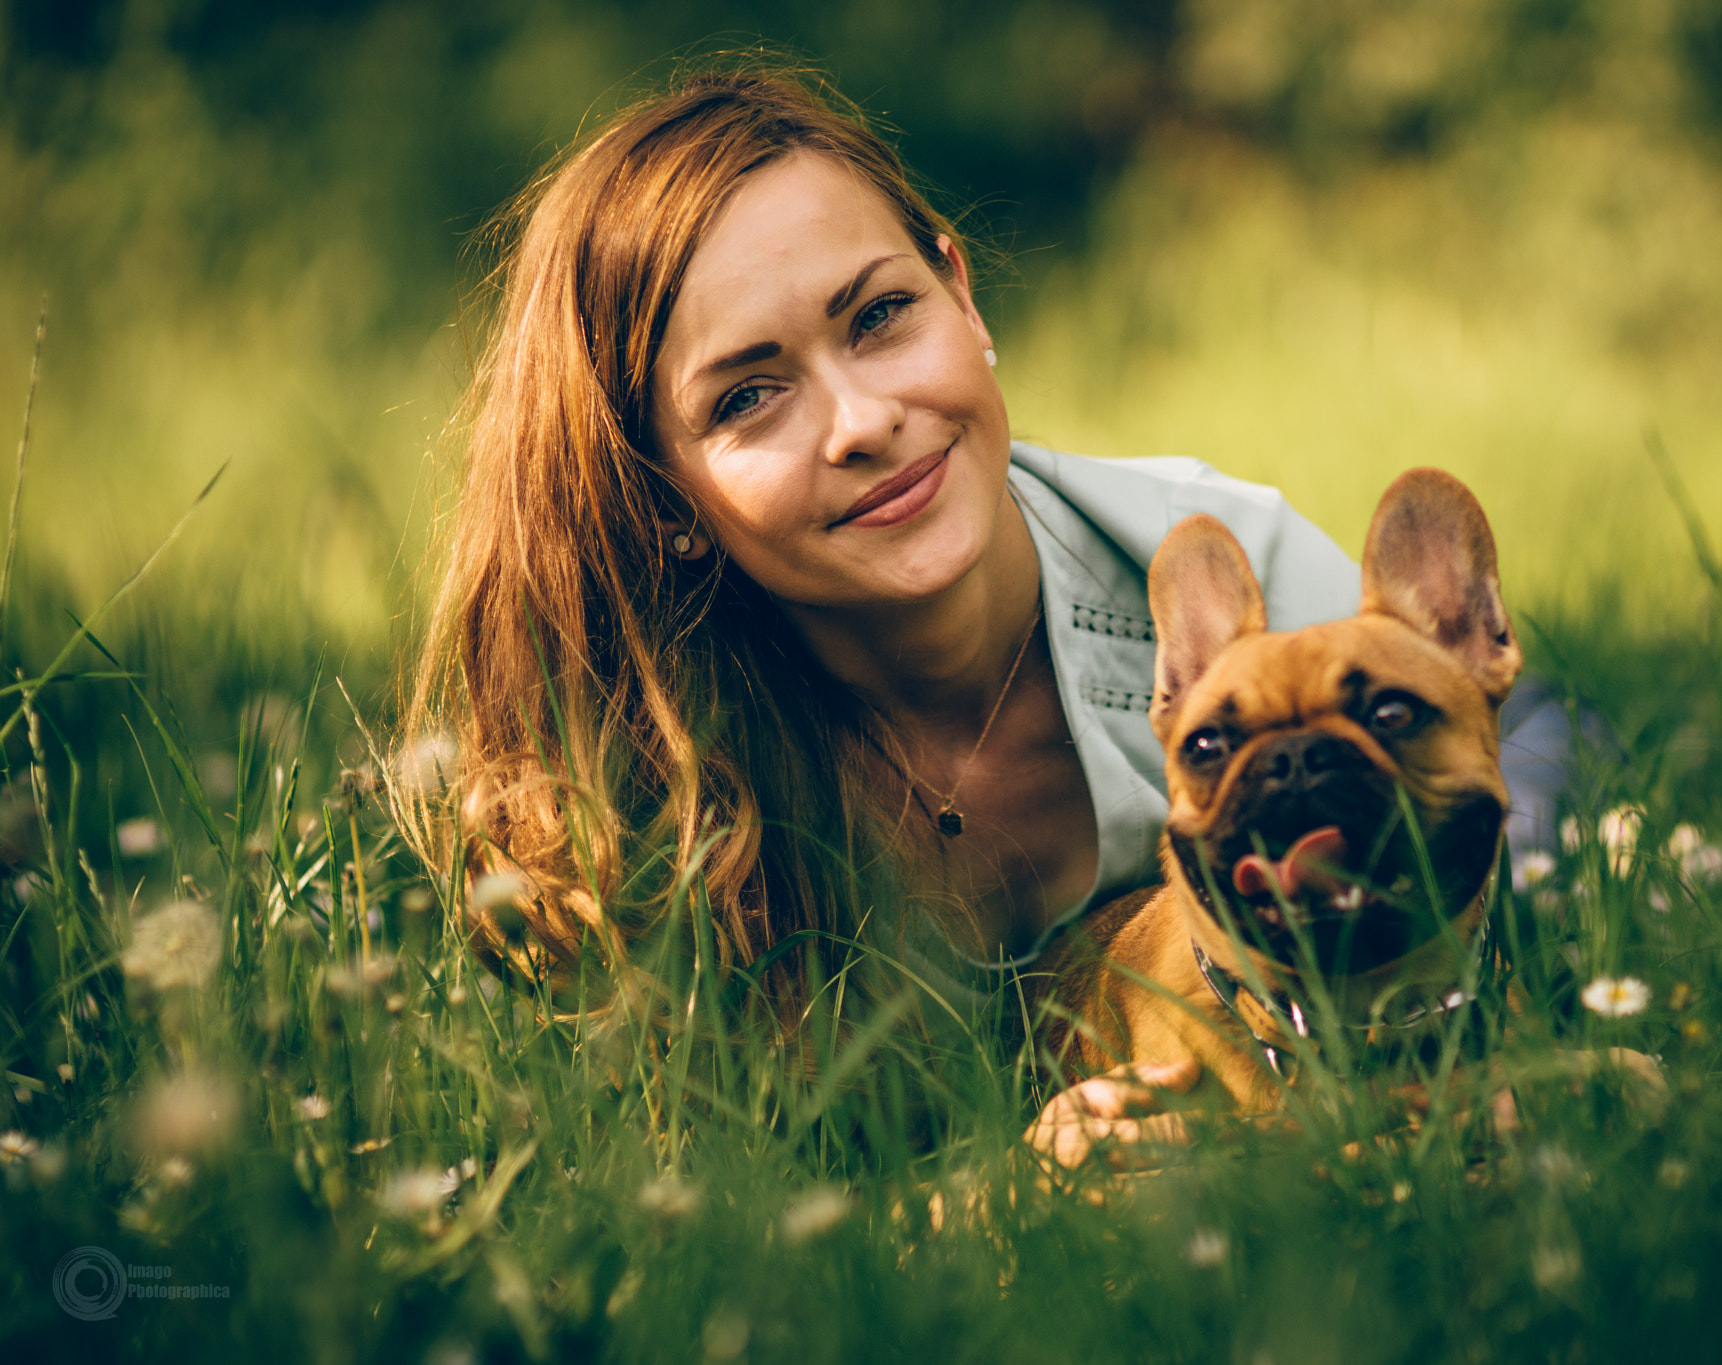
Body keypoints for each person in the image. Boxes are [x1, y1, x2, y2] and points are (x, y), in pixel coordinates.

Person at [404, 64, 1575, 1162]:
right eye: (748, 395)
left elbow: (1449, 1013)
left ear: (961, 298)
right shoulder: (646, 780)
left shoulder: (1264, 592)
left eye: (877, 317)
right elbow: (712, 1209)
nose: (860, 420)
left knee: (1554, 794)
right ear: (657, 491)